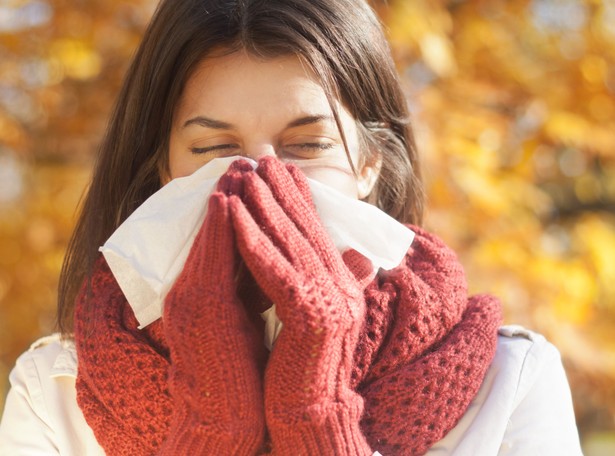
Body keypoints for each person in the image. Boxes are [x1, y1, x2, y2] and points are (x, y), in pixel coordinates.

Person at [0, 0, 583, 455]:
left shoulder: (509, 384)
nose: (260, 181)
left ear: (371, 162)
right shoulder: (56, 389)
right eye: (213, 148)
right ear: (164, 170)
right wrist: (210, 432)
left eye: (307, 145)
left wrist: (318, 421)